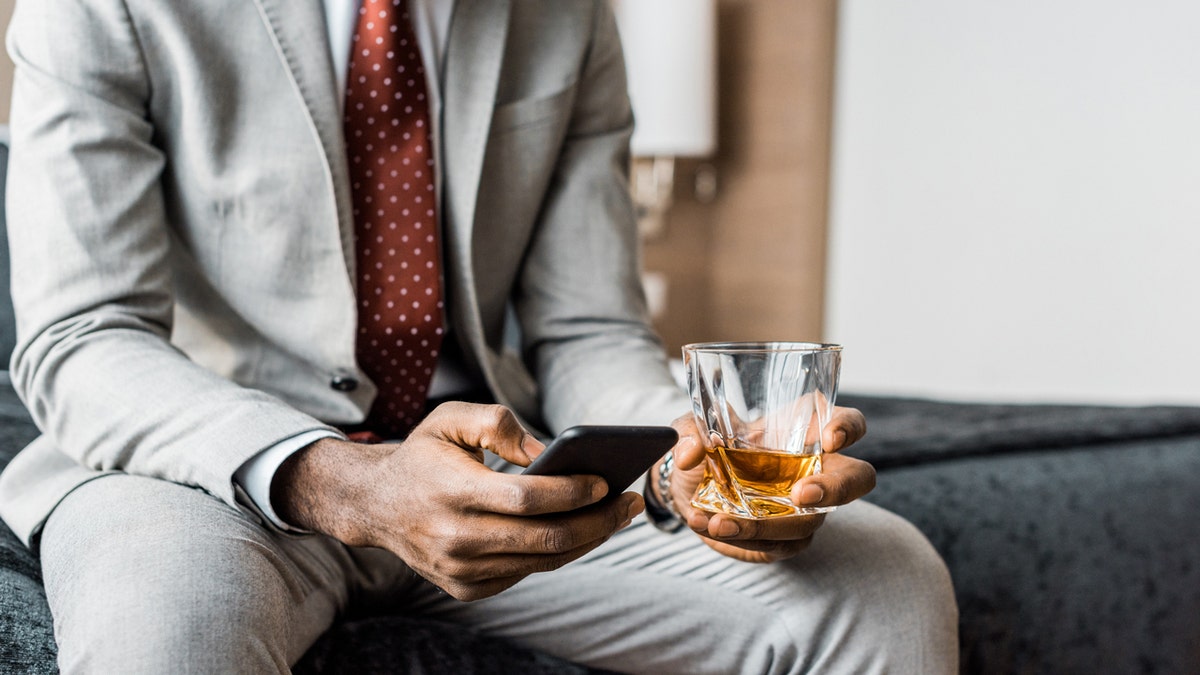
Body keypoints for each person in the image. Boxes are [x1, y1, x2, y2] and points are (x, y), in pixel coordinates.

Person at [0, 0, 958, 672]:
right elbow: (83, 333)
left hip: (493, 478)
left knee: (884, 580)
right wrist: (343, 478)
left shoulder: (571, 14)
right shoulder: (100, 3)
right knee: (167, 633)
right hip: (207, 473)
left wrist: (682, 458)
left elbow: (588, 330)